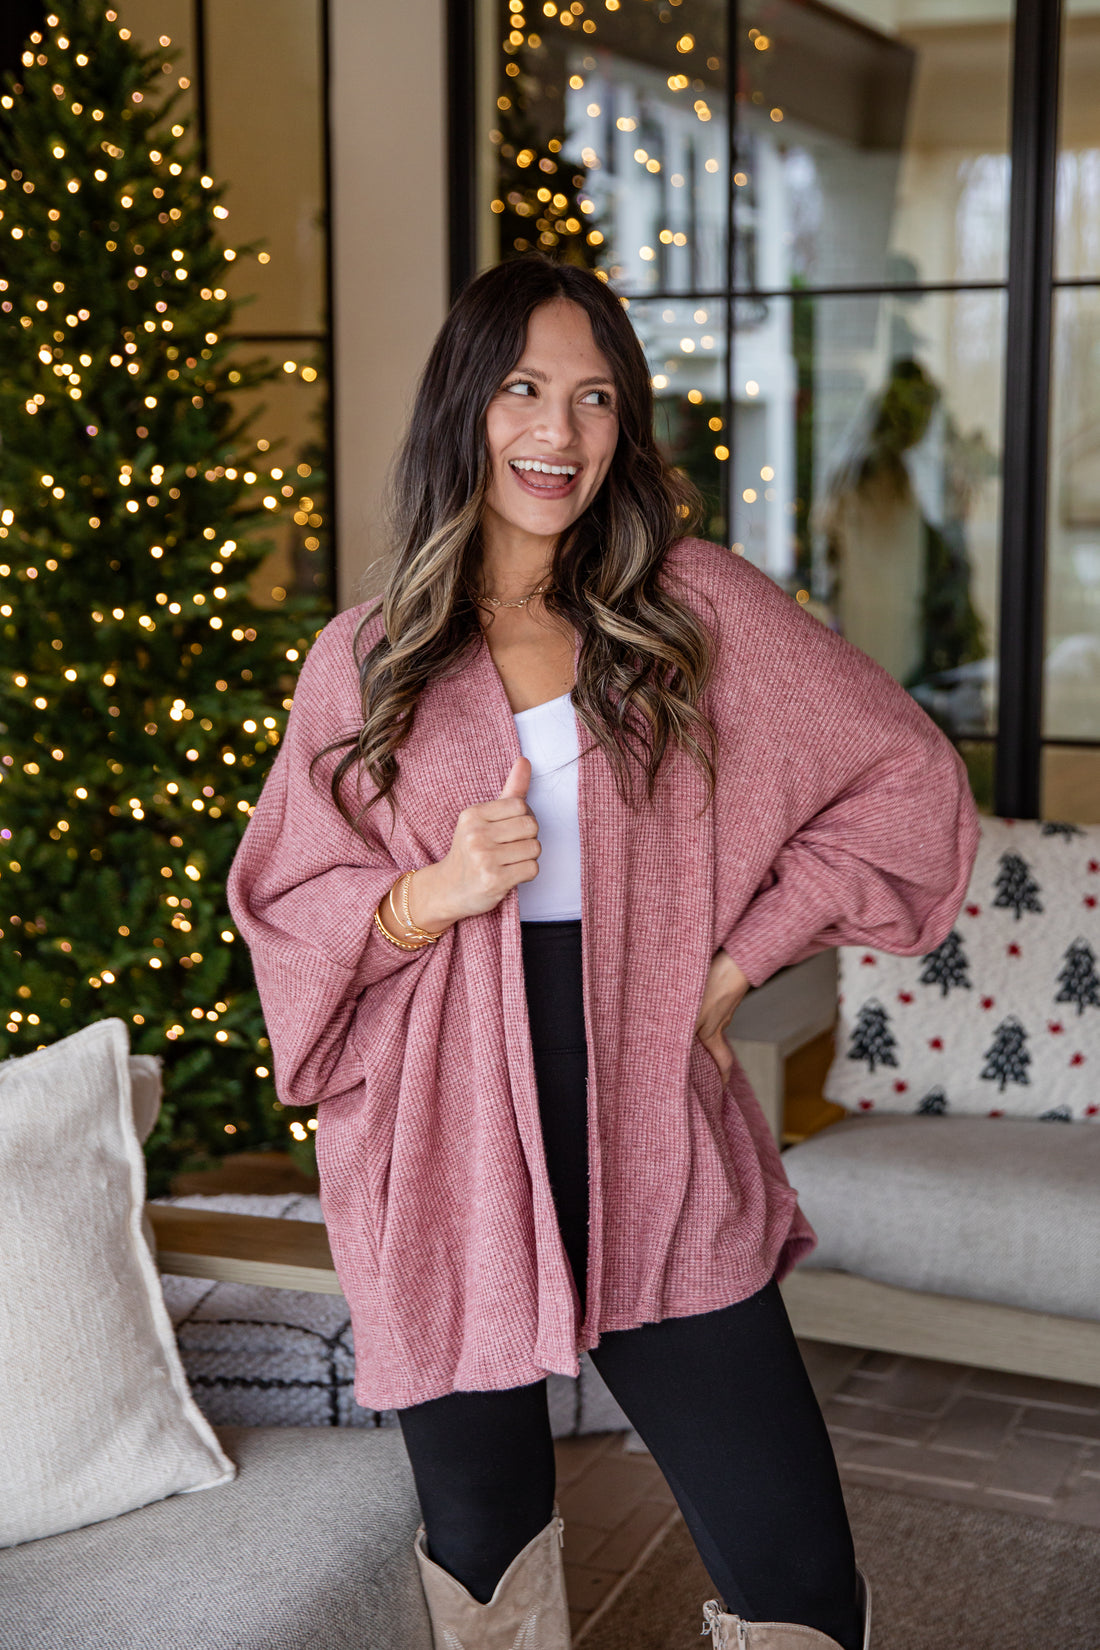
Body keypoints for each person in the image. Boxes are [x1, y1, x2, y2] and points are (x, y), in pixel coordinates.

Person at [227, 254, 980, 1650]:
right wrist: (434, 892)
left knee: (794, 1558)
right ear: (469, 407)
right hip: (442, 1146)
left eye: (593, 399)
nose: (558, 433)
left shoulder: (690, 609)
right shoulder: (368, 656)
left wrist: (738, 963)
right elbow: (284, 903)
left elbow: (903, 775)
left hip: (649, 1111)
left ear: (624, 426)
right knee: (486, 1549)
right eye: (524, 389)